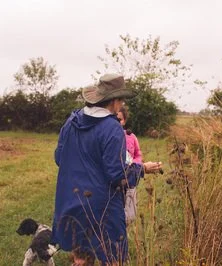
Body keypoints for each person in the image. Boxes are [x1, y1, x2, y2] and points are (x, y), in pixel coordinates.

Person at [52, 73, 162, 265]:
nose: (122, 106)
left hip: (72, 202)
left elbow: (59, 158)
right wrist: (141, 169)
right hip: (101, 209)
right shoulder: (112, 128)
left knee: (81, 260)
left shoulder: (71, 121)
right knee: (112, 259)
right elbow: (116, 174)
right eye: (121, 101)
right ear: (115, 101)